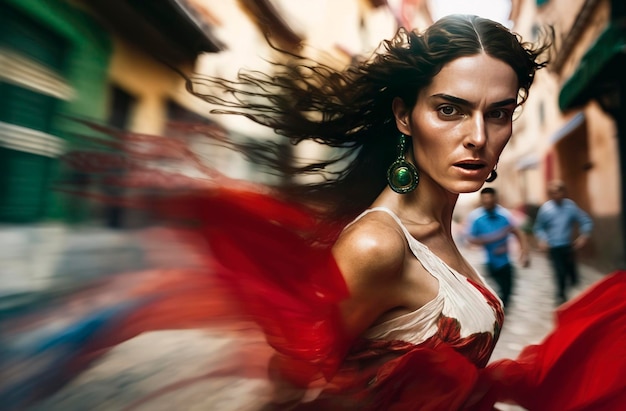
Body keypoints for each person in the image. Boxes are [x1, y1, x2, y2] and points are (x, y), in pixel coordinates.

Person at [2, 14, 626, 411]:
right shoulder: (377, 246)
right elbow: (294, 388)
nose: (477, 137)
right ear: (405, 116)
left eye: (498, 113)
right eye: (451, 109)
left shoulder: (433, 230)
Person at [466, 187, 530, 308]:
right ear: (481, 200)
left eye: (490, 198)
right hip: (485, 262)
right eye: (485, 198)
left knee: (508, 291)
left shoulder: (505, 215)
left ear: (496, 199)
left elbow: (517, 232)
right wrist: (494, 237)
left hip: (505, 261)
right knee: (491, 292)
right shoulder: (475, 218)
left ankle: (503, 310)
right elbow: (470, 240)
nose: (488, 200)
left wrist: (524, 252)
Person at [533, 180, 594, 304]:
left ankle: (571, 287)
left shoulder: (570, 207)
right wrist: (542, 239)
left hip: (568, 246)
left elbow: (585, 220)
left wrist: (584, 236)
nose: (556, 195)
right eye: (553, 193)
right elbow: (539, 227)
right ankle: (560, 296)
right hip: (554, 247)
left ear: (564, 192)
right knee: (559, 272)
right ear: (550, 194)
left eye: (559, 192)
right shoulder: (546, 209)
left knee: (572, 274)